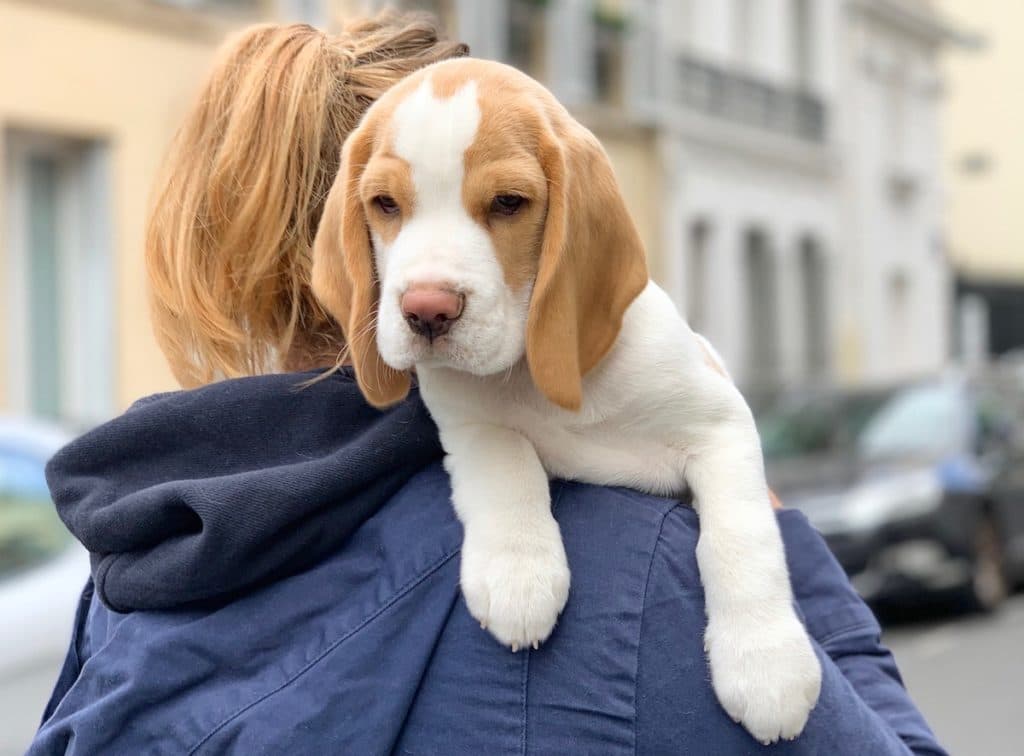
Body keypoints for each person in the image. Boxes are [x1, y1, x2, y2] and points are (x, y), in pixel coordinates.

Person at [30, 12, 945, 755]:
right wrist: (785, 542)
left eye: (503, 205)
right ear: (353, 245)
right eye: (392, 204)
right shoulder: (643, 564)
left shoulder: (134, 568)